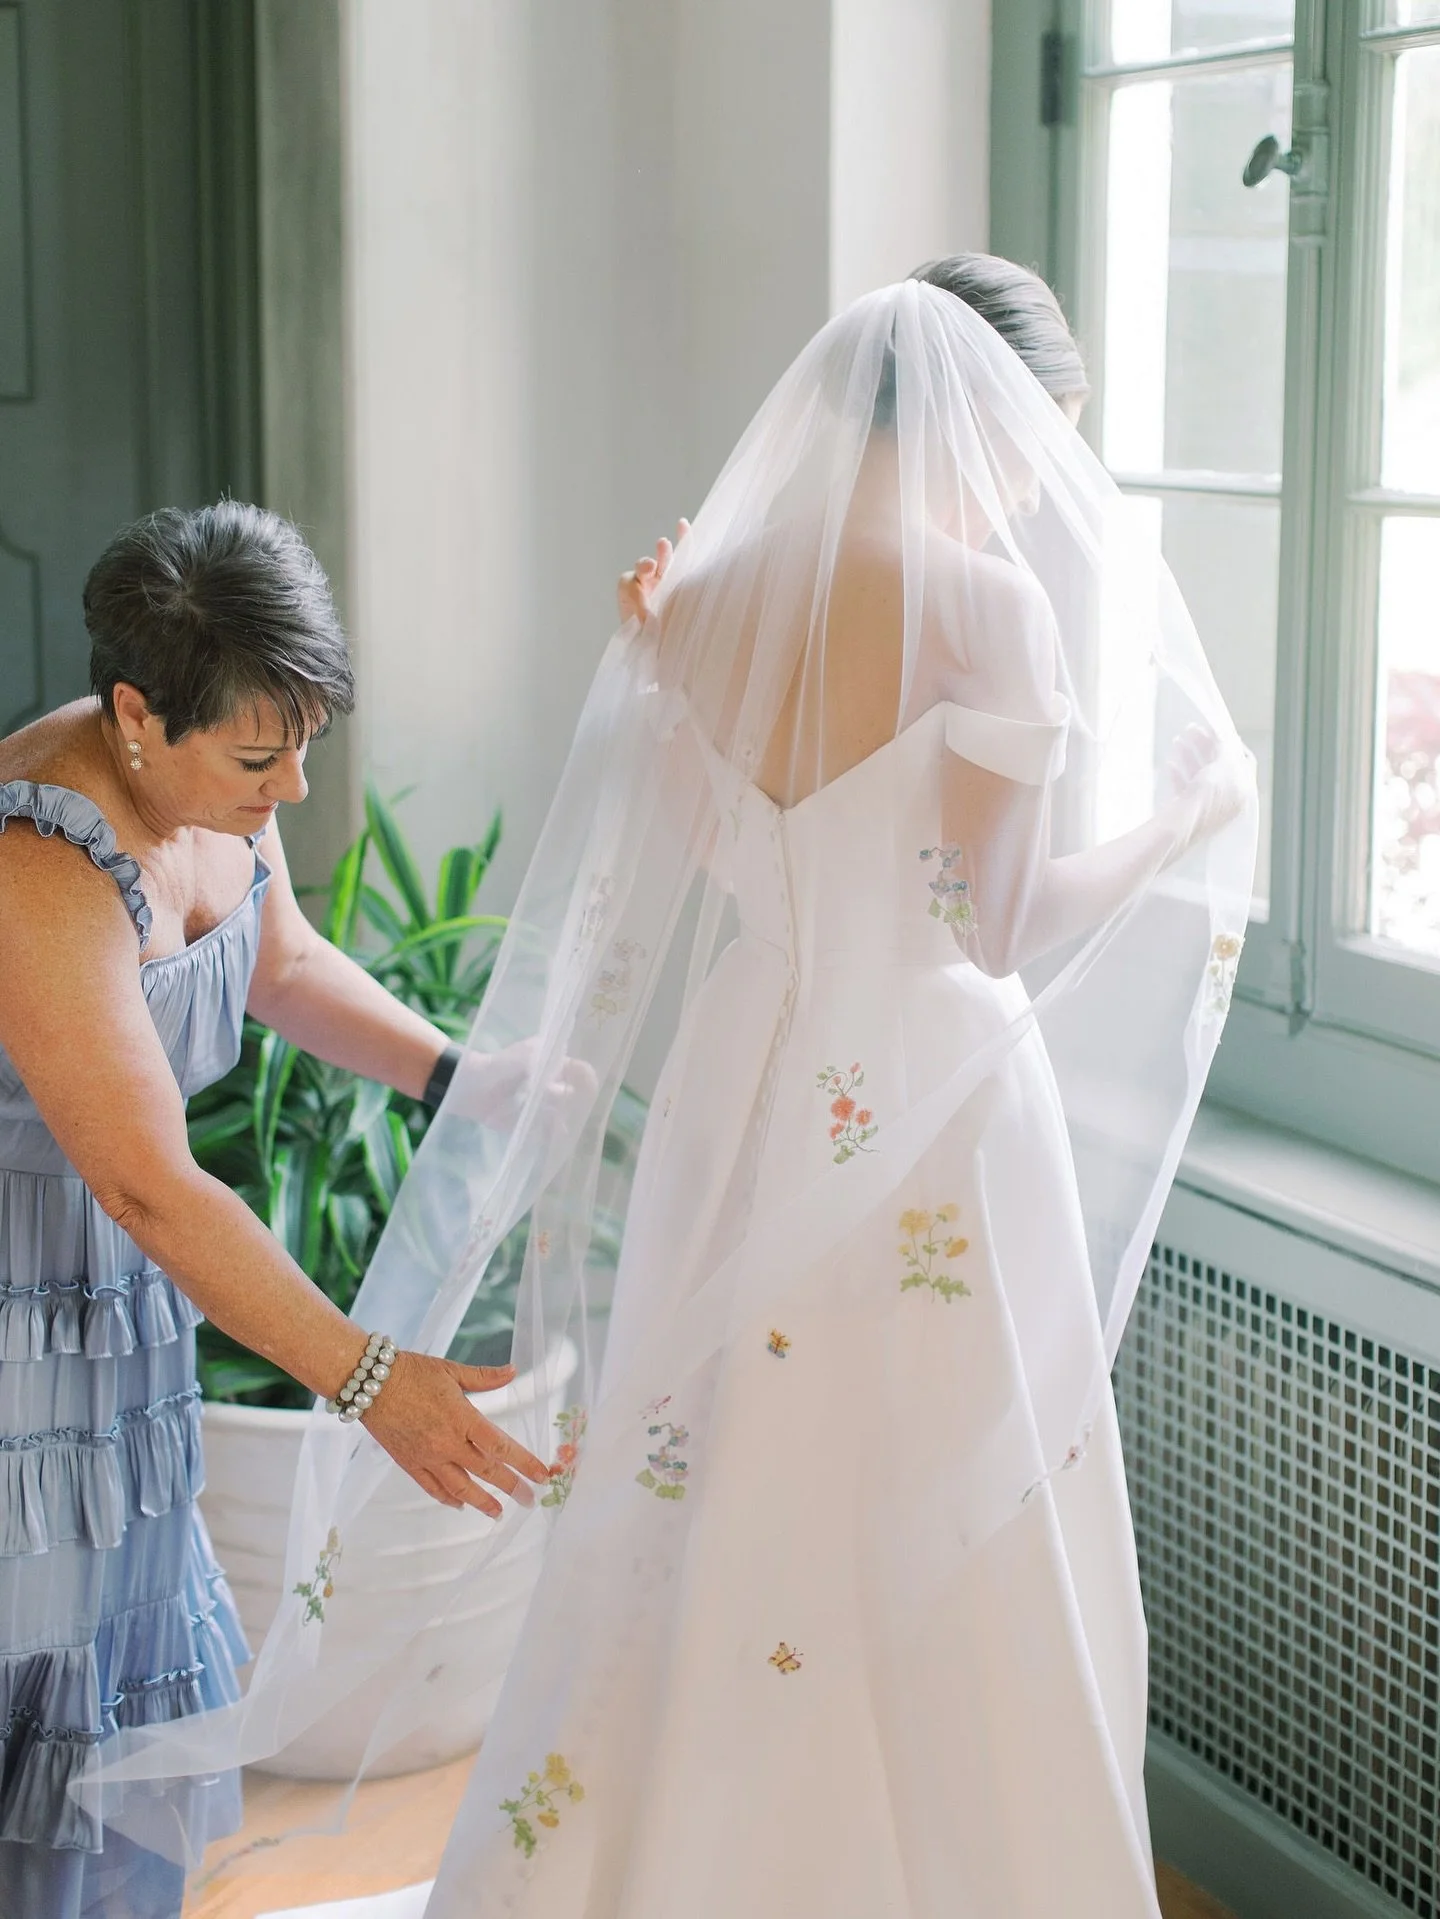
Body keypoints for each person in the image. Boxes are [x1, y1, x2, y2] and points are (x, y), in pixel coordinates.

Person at [99, 263, 1256, 1917]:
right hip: (924, 1094)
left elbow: (723, 852)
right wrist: (1182, 823)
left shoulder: (703, 591)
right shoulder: (991, 607)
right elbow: (995, 926)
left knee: (711, 1463)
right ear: (990, 418)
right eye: (1036, 443)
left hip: (745, 1064)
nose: (1026, 487)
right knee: (937, 1481)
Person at [0, 503, 554, 1919]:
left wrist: (462, 1077)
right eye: (262, 757)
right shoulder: (41, 864)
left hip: (115, 1305)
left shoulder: (211, 798)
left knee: (112, 1674)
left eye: (305, 742)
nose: (295, 786)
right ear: (137, 715)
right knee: (32, 1662)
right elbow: (148, 1181)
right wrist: (369, 1380)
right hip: (20, 1314)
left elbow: (284, 961)